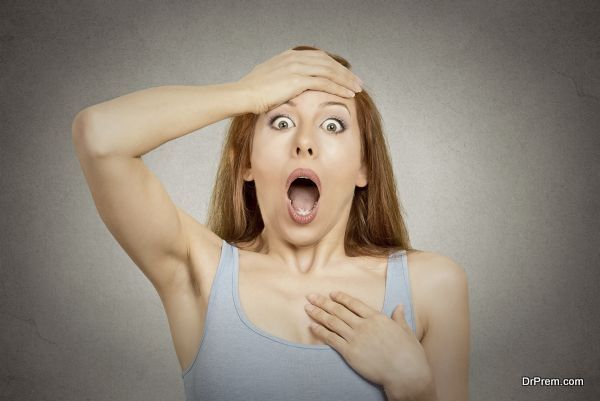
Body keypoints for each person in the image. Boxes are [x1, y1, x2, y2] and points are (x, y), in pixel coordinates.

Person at [72, 45, 469, 401]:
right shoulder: (200, 272)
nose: (305, 141)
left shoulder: (432, 285)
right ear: (244, 163)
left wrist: (416, 387)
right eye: (280, 121)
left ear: (363, 165)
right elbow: (99, 136)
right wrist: (244, 94)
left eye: (332, 125)